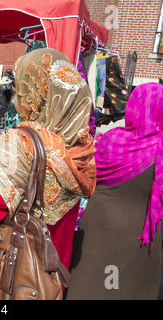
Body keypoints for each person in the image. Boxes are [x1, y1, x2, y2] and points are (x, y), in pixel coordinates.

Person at [0, 48, 96, 300]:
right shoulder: (81, 147)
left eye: (21, 91)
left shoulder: (19, 147)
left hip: (0, 278)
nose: (15, 101)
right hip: (44, 280)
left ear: (37, 95)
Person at [66, 83, 163, 300]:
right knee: (129, 290)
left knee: (91, 285)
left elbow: (87, 177)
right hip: (142, 236)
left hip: (100, 229)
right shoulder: (160, 148)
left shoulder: (112, 141)